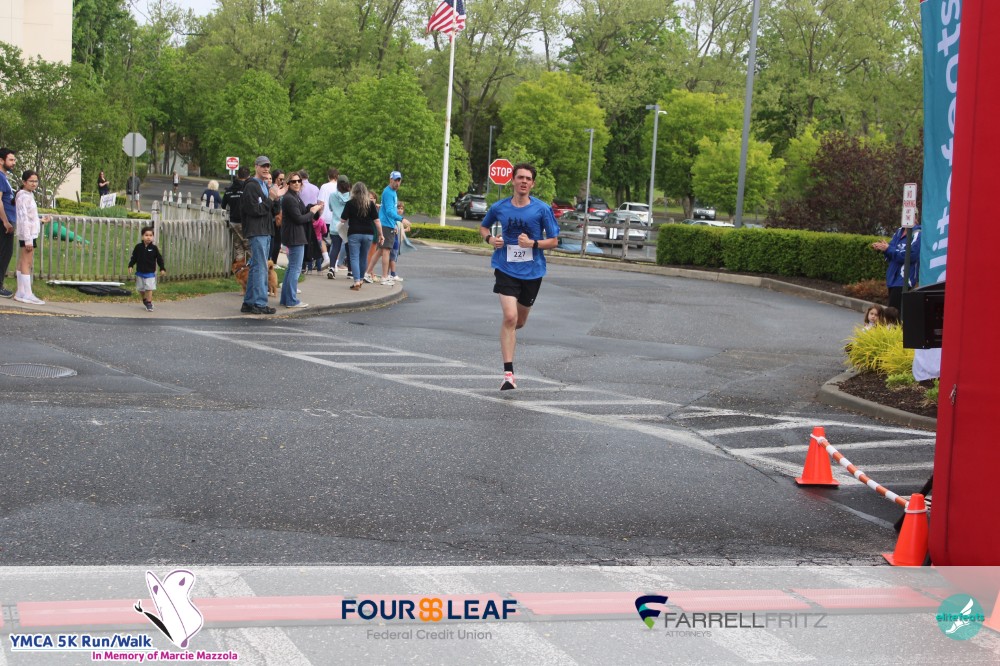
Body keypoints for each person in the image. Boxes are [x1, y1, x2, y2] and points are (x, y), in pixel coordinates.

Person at [479, 163, 560, 390]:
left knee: (519, 322)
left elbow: (554, 241)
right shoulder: (499, 207)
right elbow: (484, 228)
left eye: (528, 179)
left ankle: (508, 334)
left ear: (532, 184)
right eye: (520, 177)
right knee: (510, 317)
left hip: (532, 272)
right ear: (513, 180)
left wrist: (532, 243)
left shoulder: (542, 209)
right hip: (505, 268)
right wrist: (490, 240)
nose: (524, 181)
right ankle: (508, 375)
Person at [239, 156, 285, 315]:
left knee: (257, 267)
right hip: (257, 231)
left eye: (268, 166)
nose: (266, 169)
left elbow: (272, 210)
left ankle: (249, 302)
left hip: (265, 230)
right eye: (263, 166)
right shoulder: (251, 186)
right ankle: (259, 303)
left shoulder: (265, 186)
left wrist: (276, 198)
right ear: (256, 167)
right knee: (261, 267)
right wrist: (270, 198)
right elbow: (254, 210)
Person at [279, 173, 323, 308]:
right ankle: (291, 300)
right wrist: (312, 212)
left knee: (292, 268)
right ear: (288, 184)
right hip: (294, 236)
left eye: (299, 181)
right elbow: (299, 218)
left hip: (296, 235)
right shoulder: (289, 199)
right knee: (295, 269)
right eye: (293, 181)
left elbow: (303, 212)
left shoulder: (295, 197)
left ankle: (286, 299)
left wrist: (313, 208)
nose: (297, 183)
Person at [13, 170, 50, 305]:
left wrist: (40, 220)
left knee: (23, 261)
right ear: (24, 182)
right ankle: (27, 294)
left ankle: (21, 292)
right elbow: (23, 219)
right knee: (26, 263)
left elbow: (30, 217)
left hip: (29, 233)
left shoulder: (29, 195)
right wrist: (28, 239)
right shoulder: (23, 196)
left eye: (36, 181)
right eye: (31, 181)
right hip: (27, 234)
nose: (34, 184)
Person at [871, 221, 921, 313]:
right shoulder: (899, 231)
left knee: (893, 313)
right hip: (892, 279)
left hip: (904, 280)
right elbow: (890, 251)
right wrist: (883, 248)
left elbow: (911, 255)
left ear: (915, 218)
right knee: (893, 313)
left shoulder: (917, 233)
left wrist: (889, 249)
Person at [342, 181, 382, 292]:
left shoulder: (350, 203)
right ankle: (360, 279)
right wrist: (381, 234)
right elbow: (377, 221)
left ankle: (356, 281)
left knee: (354, 257)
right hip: (368, 234)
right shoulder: (370, 204)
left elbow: (343, 219)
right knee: (363, 257)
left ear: (354, 191)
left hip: (354, 233)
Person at [373, 171, 404, 286]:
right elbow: (390, 211)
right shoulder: (388, 192)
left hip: (389, 224)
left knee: (380, 251)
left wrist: (394, 223)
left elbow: (390, 209)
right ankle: (384, 277)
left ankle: (367, 272)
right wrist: (401, 219)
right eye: (395, 180)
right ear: (390, 179)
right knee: (386, 251)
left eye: (399, 180)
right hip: (386, 224)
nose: (397, 182)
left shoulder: (393, 192)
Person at [128, 226, 166, 312]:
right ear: (142, 236)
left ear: (153, 237)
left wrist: (162, 268)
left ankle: (149, 303)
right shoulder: (138, 247)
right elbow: (134, 257)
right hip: (140, 272)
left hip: (150, 273)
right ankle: (144, 299)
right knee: (141, 289)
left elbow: (159, 259)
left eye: (150, 235)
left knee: (149, 288)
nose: (148, 237)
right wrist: (130, 265)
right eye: (146, 235)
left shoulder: (154, 248)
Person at [325, 175, 351, 279]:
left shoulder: (332, 195)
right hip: (347, 226)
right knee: (349, 249)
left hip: (335, 225)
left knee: (335, 247)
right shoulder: (351, 197)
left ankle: (332, 268)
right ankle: (350, 271)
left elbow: (331, 208)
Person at [0, 147, 17, 298]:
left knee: (5, 253)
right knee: (4, 253)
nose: (14, 163)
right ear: (1, 160)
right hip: (3, 223)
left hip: (7, 220)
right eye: (11, 160)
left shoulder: (4, 177)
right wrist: (5, 221)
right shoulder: (0, 177)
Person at [223, 166, 249, 259]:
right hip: (245, 222)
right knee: (249, 248)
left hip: (233, 221)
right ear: (248, 177)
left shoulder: (229, 190)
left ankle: (239, 266)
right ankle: (251, 266)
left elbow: (223, 205)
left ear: (238, 175)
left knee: (238, 249)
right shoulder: (247, 188)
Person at [386, 200, 412, 283]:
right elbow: (395, 230)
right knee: (393, 258)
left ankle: (387, 274)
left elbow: (398, 231)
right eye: (398, 208)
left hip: (396, 241)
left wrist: (405, 230)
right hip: (394, 241)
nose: (400, 210)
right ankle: (393, 274)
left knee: (391, 258)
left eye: (401, 208)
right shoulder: (396, 219)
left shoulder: (399, 220)